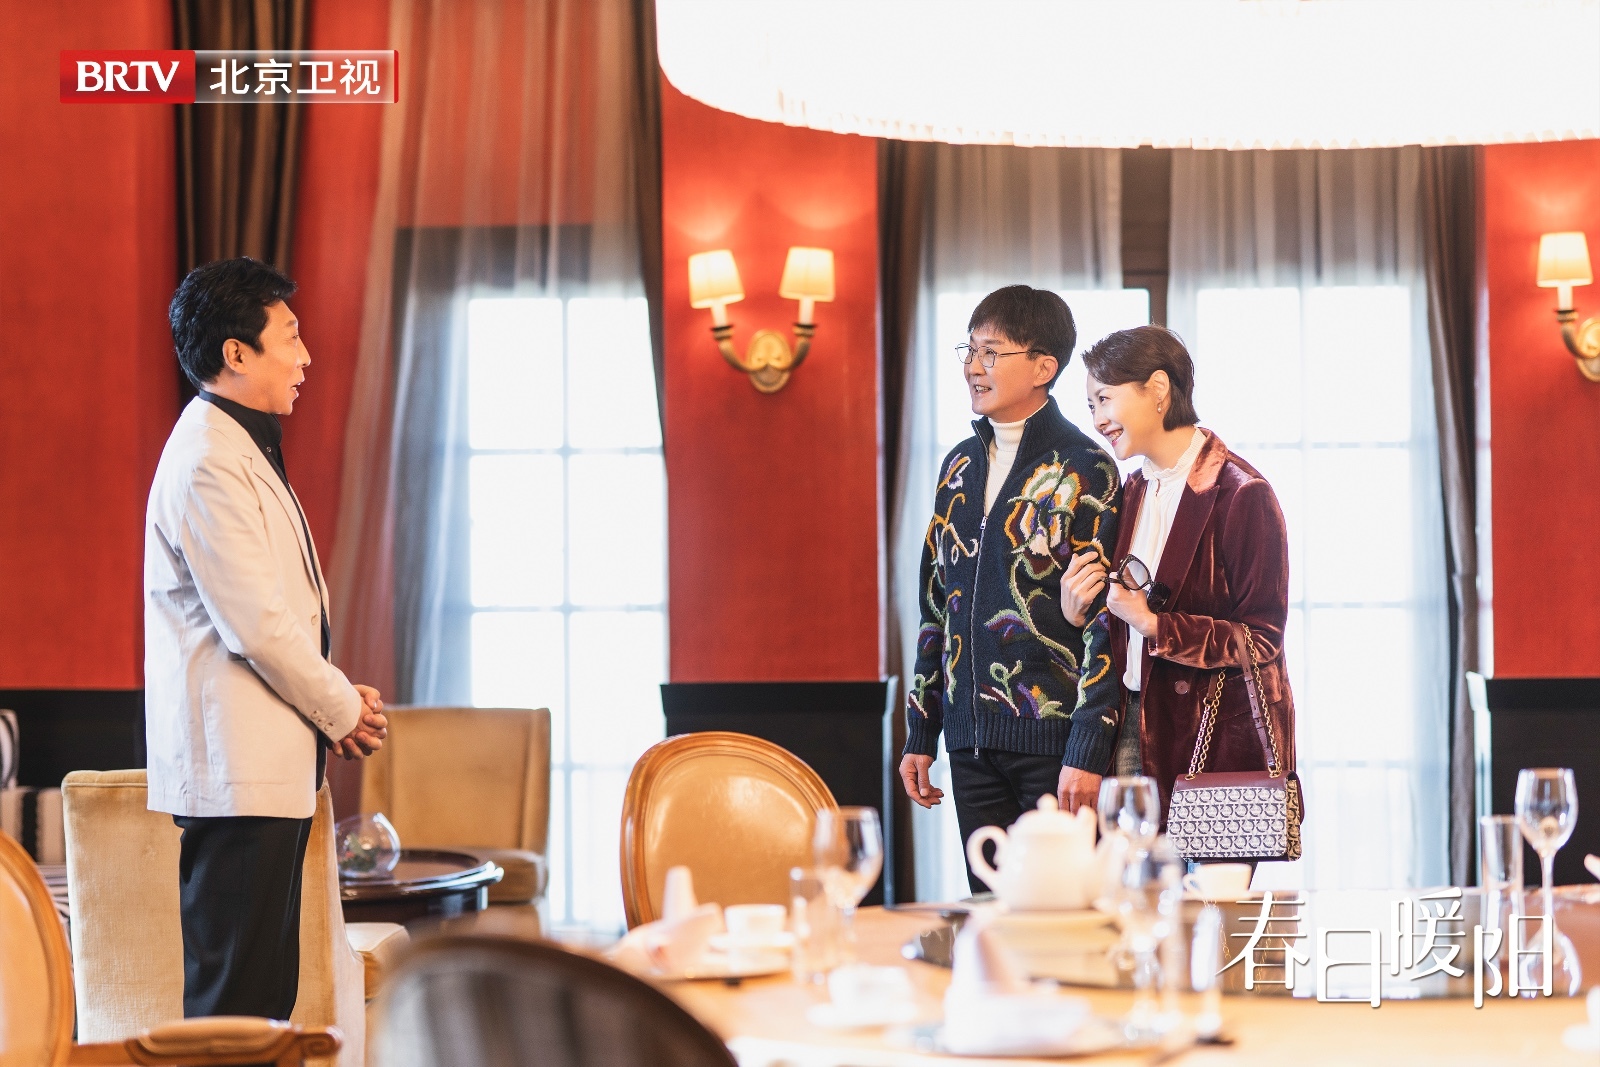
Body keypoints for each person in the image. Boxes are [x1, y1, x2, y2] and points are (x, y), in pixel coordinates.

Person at [146, 257, 389, 1023]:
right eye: (290, 335)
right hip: (236, 777)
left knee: (263, 1011)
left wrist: (336, 696)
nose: (306, 355)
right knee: (235, 1014)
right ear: (236, 352)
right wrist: (340, 706)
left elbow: (279, 609)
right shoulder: (209, 458)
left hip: (263, 773)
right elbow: (256, 623)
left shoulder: (236, 444)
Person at [898, 285, 1122, 893]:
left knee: (1064, 919)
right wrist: (922, 732)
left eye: (991, 353)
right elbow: (935, 606)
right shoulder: (957, 468)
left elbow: (1107, 624)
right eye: (970, 351)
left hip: (1054, 747)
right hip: (969, 745)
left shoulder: (1087, 468)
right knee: (991, 921)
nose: (973, 366)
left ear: (1043, 367)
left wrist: (1087, 750)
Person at [1062, 325, 1296, 823]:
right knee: (1132, 875)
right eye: (1090, 406)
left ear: (1158, 390)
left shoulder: (1242, 493)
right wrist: (1078, 611)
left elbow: (1262, 640)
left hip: (1216, 738)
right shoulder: (1130, 490)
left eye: (1104, 399)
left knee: (1216, 879)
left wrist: (1156, 625)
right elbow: (1119, 616)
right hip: (1132, 728)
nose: (1097, 420)